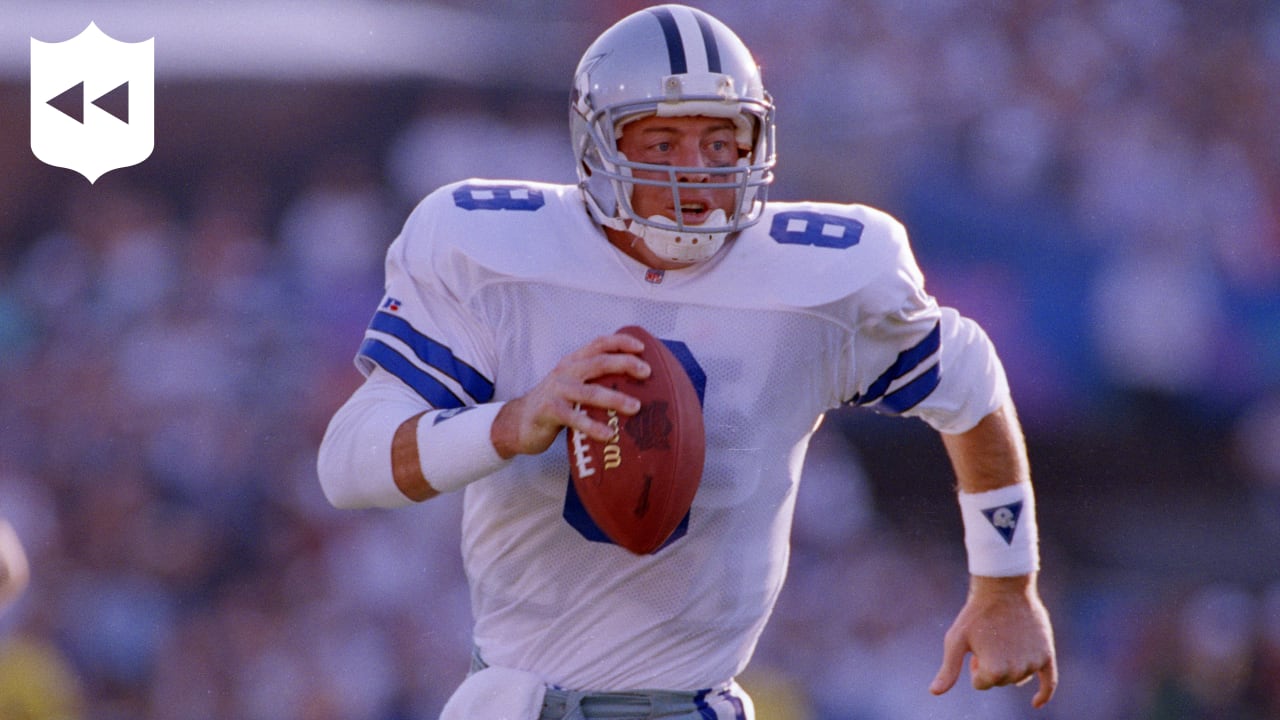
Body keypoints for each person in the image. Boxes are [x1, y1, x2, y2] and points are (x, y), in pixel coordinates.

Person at [317, 4, 1057, 718]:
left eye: (719, 141)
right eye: (663, 143)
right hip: (511, 701)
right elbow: (347, 466)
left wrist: (1005, 582)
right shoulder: (493, 250)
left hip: (687, 706)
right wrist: (509, 422)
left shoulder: (825, 278)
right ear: (598, 148)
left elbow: (968, 382)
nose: (695, 170)